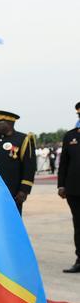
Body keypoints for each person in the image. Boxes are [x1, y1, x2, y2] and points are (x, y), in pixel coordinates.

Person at [0, 110, 36, 215]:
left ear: (9, 123)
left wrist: (24, 190)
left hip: (12, 191)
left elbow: (29, 167)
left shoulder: (22, 139)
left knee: (11, 221)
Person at [59, 102, 80, 273]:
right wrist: (61, 185)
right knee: (78, 226)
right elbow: (64, 163)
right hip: (74, 189)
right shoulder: (70, 136)